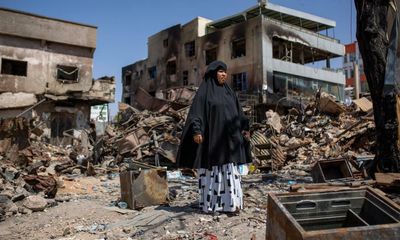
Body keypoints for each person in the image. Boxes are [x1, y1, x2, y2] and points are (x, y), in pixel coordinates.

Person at [176, 60, 251, 213]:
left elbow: (239, 112)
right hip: (212, 142)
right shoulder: (205, 92)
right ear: (213, 73)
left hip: (230, 141)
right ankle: (212, 205)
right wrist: (197, 131)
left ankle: (232, 204)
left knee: (230, 171)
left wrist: (245, 128)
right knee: (213, 174)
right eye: (220, 71)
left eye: (225, 72)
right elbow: (196, 113)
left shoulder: (229, 92)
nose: (224, 74)